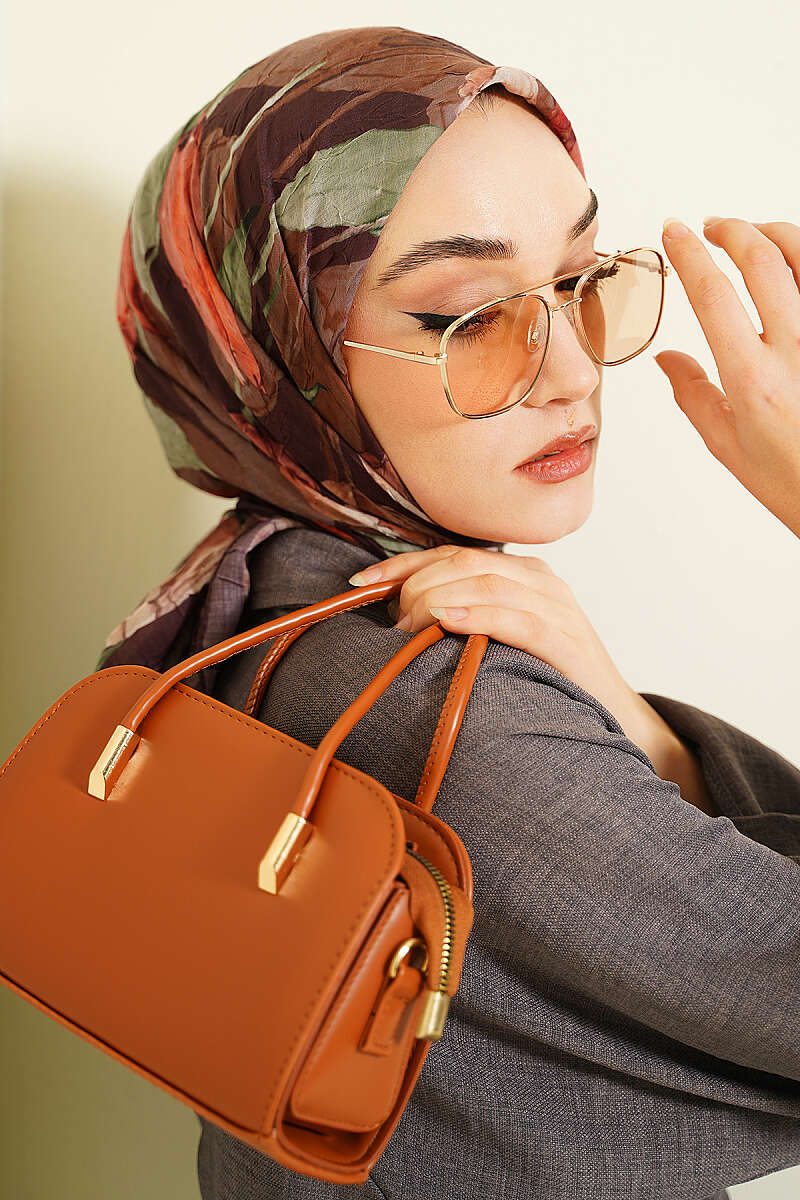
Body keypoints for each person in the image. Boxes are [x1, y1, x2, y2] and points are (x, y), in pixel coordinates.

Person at [98, 25, 800, 1200]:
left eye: (576, 280)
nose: (571, 369)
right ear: (278, 354)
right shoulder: (427, 701)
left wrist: (642, 735)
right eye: (467, 314)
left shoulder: (255, 600)